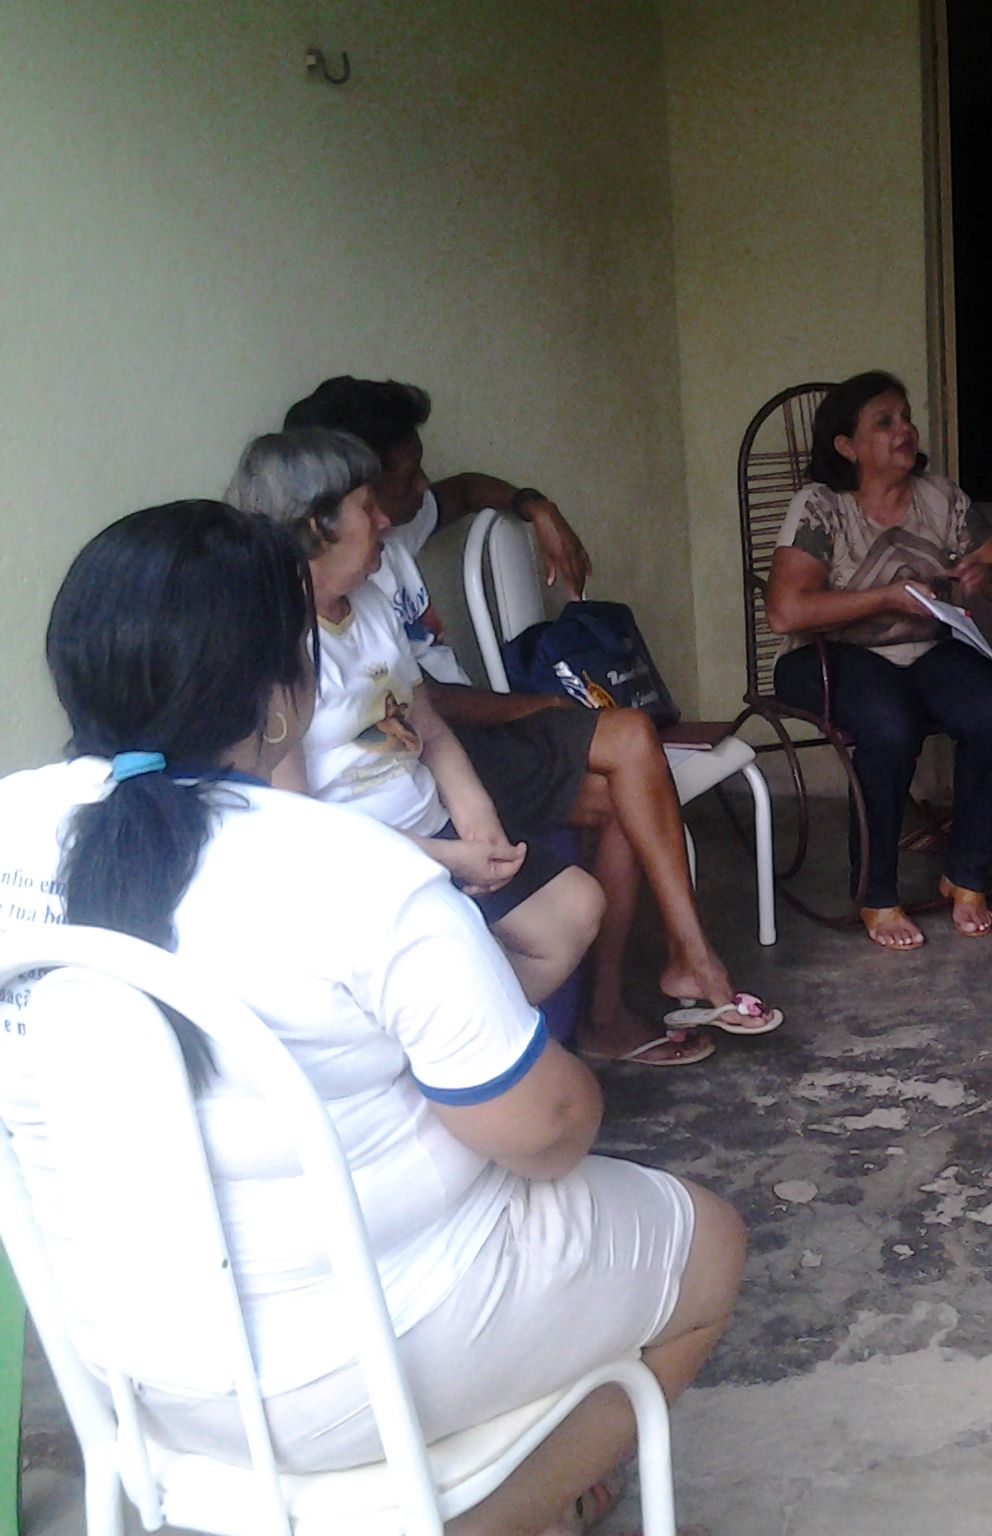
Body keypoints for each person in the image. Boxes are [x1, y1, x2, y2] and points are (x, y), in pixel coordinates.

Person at [0, 501, 744, 1534]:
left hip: (123, 1361)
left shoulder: (14, 824)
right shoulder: (350, 869)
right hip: (349, 1375)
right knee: (709, 1244)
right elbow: (546, 1134)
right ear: (282, 693)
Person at [281, 380, 777, 1064]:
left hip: (451, 745)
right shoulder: (311, 618)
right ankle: (656, 982)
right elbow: (420, 706)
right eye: (400, 479)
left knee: (631, 764)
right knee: (627, 751)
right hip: (453, 738)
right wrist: (534, 705)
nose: (418, 490)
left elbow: (464, 491)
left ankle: (656, 981)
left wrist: (536, 507)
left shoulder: (387, 541)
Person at [226, 429, 604, 1008]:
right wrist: (446, 858)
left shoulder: (372, 603)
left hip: (432, 833)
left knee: (576, 909)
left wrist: (479, 824)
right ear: (317, 526)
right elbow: (301, 829)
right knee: (463, 967)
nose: (384, 521)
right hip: (359, 871)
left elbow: (428, 728)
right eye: (366, 508)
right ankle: (454, 1035)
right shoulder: (272, 648)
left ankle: (455, 1034)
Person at [764, 370, 992, 950]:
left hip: (926, 648)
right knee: (889, 723)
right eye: (884, 422)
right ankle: (875, 891)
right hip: (826, 655)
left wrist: (989, 576)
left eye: (905, 417)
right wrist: (885, 598)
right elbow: (786, 611)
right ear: (847, 445)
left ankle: (965, 875)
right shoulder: (821, 506)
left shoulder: (942, 498)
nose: (903, 429)